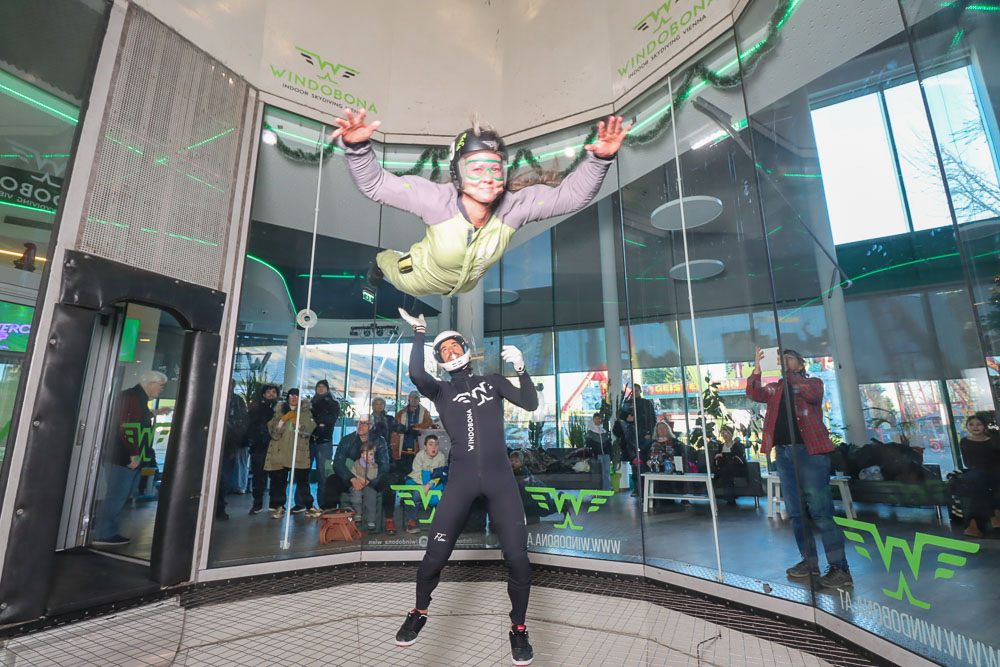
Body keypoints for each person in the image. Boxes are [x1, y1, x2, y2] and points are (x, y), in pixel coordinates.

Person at [330, 109, 629, 298]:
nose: (488, 177)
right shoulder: (436, 201)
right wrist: (357, 148)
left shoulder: (514, 208)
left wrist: (600, 158)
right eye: (476, 169)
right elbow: (377, 185)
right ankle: (377, 265)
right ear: (457, 174)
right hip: (416, 275)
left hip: (465, 286)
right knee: (387, 261)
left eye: (495, 168)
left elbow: (571, 196)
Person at [394, 307, 538, 666]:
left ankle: (518, 628)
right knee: (434, 557)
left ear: (465, 349)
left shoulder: (492, 382)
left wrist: (521, 369)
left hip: (500, 480)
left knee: (518, 560)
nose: (450, 353)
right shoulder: (440, 391)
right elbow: (414, 373)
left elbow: (531, 403)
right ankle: (419, 611)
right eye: (442, 352)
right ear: (440, 362)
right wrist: (420, 333)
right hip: (460, 480)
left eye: (454, 347)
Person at [746, 347, 851, 588]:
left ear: (801, 365)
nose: (784, 362)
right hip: (783, 453)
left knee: (821, 511)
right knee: (795, 512)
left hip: (810, 453)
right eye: (781, 359)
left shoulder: (812, 382)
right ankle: (809, 561)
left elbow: (812, 395)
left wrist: (790, 374)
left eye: (789, 358)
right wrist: (758, 370)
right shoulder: (775, 389)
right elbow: (753, 393)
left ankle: (839, 567)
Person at [93, 371, 171, 546]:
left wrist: (155, 413)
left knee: (120, 494)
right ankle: (103, 533)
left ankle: (103, 530)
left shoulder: (135, 398)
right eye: (161, 385)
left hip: (124, 455)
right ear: (151, 383)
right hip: (123, 457)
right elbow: (127, 427)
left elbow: (134, 420)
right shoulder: (133, 397)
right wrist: (133, 454)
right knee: (117, 495)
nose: (161, 389)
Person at [264, 389, 320, 519]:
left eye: (296, 396)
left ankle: (309, 506)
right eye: (291, 395)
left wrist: (297, 422)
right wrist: (282, 421)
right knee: (280, 482)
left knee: (302, 481)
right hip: (281, 451)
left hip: (298, 452)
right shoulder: (278, 412)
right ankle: (280, 507)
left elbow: (308, 431)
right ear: (287, 397)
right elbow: (273, 431)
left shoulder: (306, 413)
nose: (294, 398)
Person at [324, 416, 392, 519]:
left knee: (388, 481)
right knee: (332, 481)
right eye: (360, 423)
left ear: (371, 426)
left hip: (371, 478)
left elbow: (384, 465)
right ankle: (330, 517)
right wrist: (351, 478)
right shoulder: (347, 440)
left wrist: (369, 480)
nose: (361, 425)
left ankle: (389, 520)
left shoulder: (380, 441)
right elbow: (338, 463)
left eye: (365, 423)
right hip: (351, 477)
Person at [958, 414, 1000, 538]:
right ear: (967, 427)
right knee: (977, 479)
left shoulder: (993, 440)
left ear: (984, 427)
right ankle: (994, 515)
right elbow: (969, 462)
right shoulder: (965, 442)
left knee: (992, 479)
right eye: (971, 424)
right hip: (977, 471)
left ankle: (974, 524)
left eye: (978, 424)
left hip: (993, 470)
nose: (975, 427)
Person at [216, 381, 248, 520]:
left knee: (224, 479)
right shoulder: (216, 397)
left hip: (229, 445)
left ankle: (219, 507)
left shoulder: (237, 401)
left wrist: (237, 444)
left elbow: (242, 423)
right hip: (222, 444)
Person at [404, 434, 447, 534]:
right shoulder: (420, 455)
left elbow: (440, 474)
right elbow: (416, 473)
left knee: (442, 495)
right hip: (419, 481)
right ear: (425, 447)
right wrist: (422, 486)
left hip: (434, 483)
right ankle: (411, 521)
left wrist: (429, 485)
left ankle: (441, 523)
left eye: (436, 445)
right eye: (431, 444)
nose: (434, 447)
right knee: (416, 494)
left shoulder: (441, 456)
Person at [247, 384, 279, 515]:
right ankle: (257, 503)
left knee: (276, 477)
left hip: (276, 448)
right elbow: (249, 428)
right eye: (268, 392)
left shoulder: (281, 410)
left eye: (274, 392)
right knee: (258, 476)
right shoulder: (256, 410)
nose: (271, 394)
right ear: (264, 394)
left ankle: (274, 503)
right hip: (259, 447)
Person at [310, 379, 341, 515]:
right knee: (304, 471)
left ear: (328, 389)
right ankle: (303, 504)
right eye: (318, 386)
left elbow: (329, 420)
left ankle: (324, 504)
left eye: (323, 387)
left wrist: (315, 423)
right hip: (310, 440)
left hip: (324, 442)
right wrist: (318, 423)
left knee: (324, 474)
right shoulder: (311, 402)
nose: (320, 388)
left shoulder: (333, 403)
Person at [349, 443, 380, 532]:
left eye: (371, 454)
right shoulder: (357, 463)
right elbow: (353, 473)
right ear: (362, 454)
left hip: (368, 486)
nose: (368, 457)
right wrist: (360, 479)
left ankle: (371, 520)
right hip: (357, 484)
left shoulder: (375, 466)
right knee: (356, 494)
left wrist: (370, 467)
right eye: (366, 454)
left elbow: (373, 477)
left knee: (371, 498)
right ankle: (358, 514)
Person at [712, 425, 746, 506]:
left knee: (725, 471)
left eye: (727, 433)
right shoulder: (721, 446)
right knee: (715, 470)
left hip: (736, 468)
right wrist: (717, 457)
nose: (725, 435)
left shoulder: (738, 446)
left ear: (732, 434)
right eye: (723, 433)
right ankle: (711, 495)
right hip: (723, 467)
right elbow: (716, 461)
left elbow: (739, 459)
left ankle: (730, 499)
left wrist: (725, 456)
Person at [585, 412, 613, 491]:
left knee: (607, 472)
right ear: (593, 420)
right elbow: (588, 445)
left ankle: (607, 489)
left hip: (606, 454)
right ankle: (600, 488)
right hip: (597, 455)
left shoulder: (604, 431)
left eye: (599, 419)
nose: (598, 420)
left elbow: (608, 444)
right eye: (596, 419)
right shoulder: (590, 432)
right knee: (600, 472)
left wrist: (610, 454)